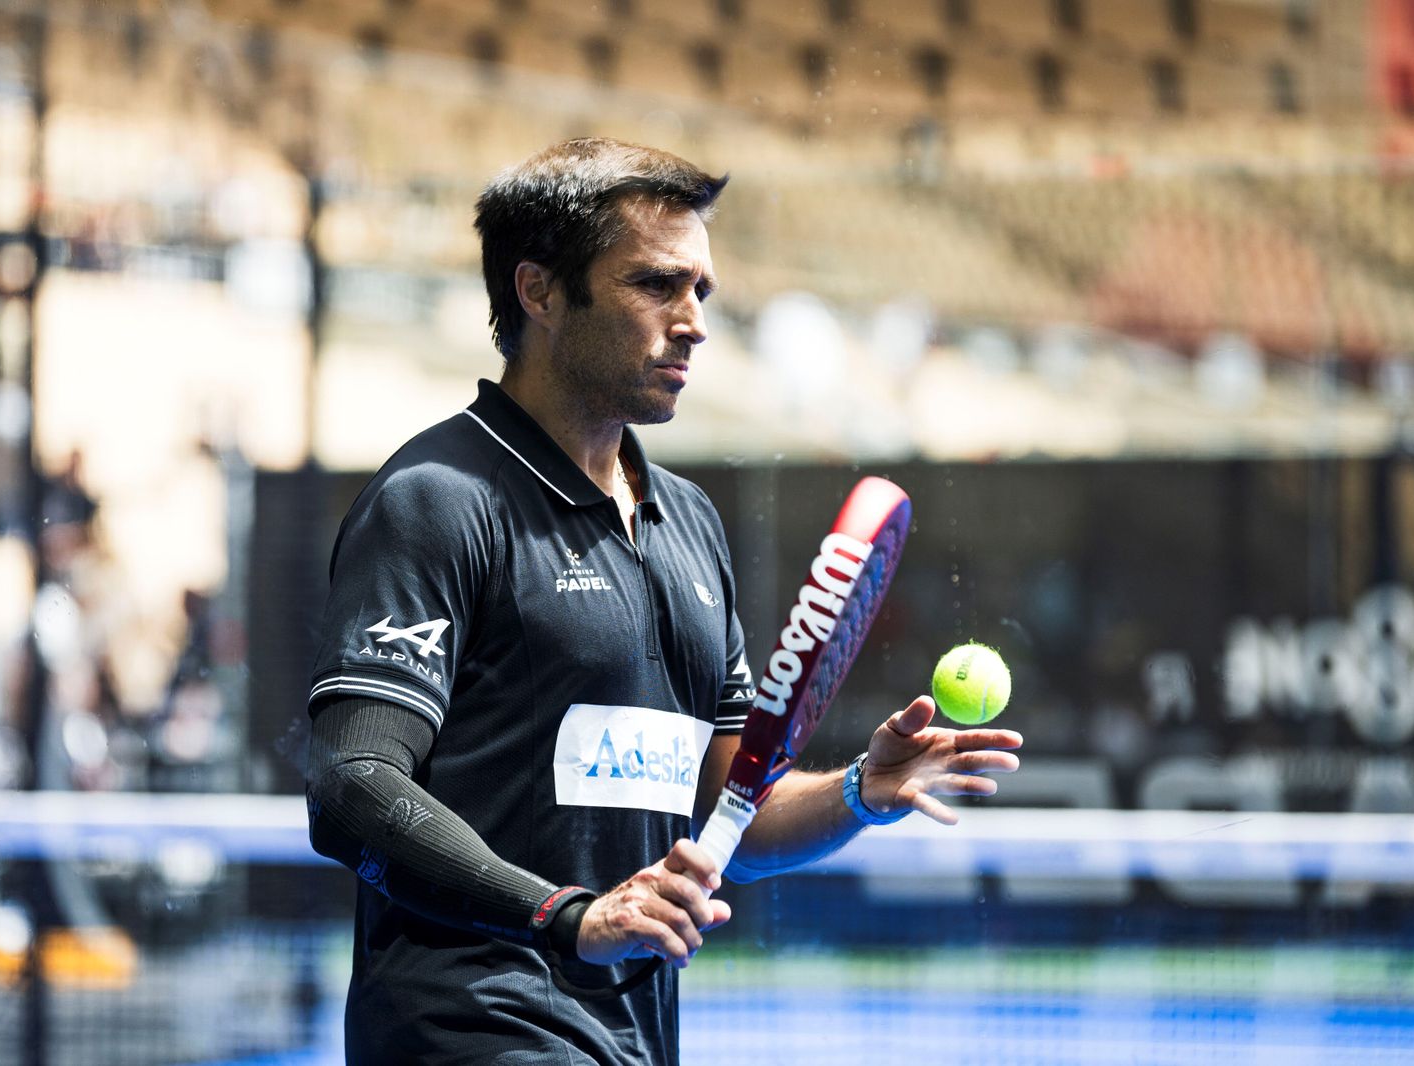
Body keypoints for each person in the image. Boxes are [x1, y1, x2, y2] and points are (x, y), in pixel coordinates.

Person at [304, 138, 1024, 1064]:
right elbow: (351, 787)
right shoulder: (437, 500)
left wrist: (858, 794)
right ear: (541, 292)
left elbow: (728, 817)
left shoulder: (686, 523)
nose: (694, 322)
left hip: (631, 1039)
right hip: (473, 1029)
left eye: (702, 292)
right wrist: (564, 915)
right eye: (656, 285)